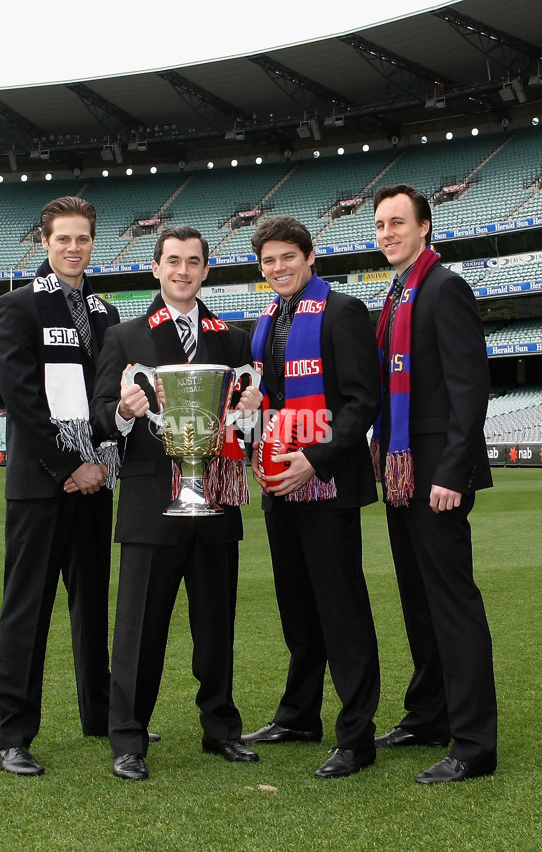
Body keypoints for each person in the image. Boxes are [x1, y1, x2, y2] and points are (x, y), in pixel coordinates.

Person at [91, 224, 263, 781]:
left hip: (214, 503)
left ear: (206, 270)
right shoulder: (125, 337)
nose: (183, 271)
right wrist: (124, 408)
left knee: (216, 626)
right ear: (156, 269)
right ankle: (128, 738)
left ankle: (221, 729)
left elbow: (246, 423)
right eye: (173, 261)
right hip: (149, 508)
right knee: (139, 629)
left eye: (193, 261)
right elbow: (101, 417)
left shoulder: (232, 339)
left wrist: (253, 410)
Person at [242, 215, 381, 779]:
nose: (279, 268)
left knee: (341, 611)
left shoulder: (343, 311)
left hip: (327, 486)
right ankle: (299, 715)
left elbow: (361, 401)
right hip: (281, 484)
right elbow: (268, 396)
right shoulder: (266, 321)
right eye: (268, 261)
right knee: (297, 610)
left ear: (309, 257)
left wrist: (316, 460)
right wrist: (254, 420)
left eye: (287, 258)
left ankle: (358, 736)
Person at [0, 196, 121, 776]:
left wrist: (102, 465)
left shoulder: (107, 313)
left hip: (97, 484)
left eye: (83, 239)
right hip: (45, 485)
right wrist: (71, 466)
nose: (74, 248)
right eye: (63, 239)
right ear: (44, 243)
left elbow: (111, 398)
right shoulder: (15, 307)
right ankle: (12, 734)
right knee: (28, 610)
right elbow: (21, 400)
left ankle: (100, 713)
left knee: (92, 606)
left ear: (94, 243)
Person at [371, 184, 497, 784]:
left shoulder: (444, 288)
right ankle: (429, 714)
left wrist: (451, 472)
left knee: (451, 604)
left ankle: (474, 743)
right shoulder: (397, 294)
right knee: (418, 601)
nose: (387, 233)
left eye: (398, 223)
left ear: (425, 228)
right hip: (402, 471)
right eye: (379, 226)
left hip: (435, 474)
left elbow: (470, 389)